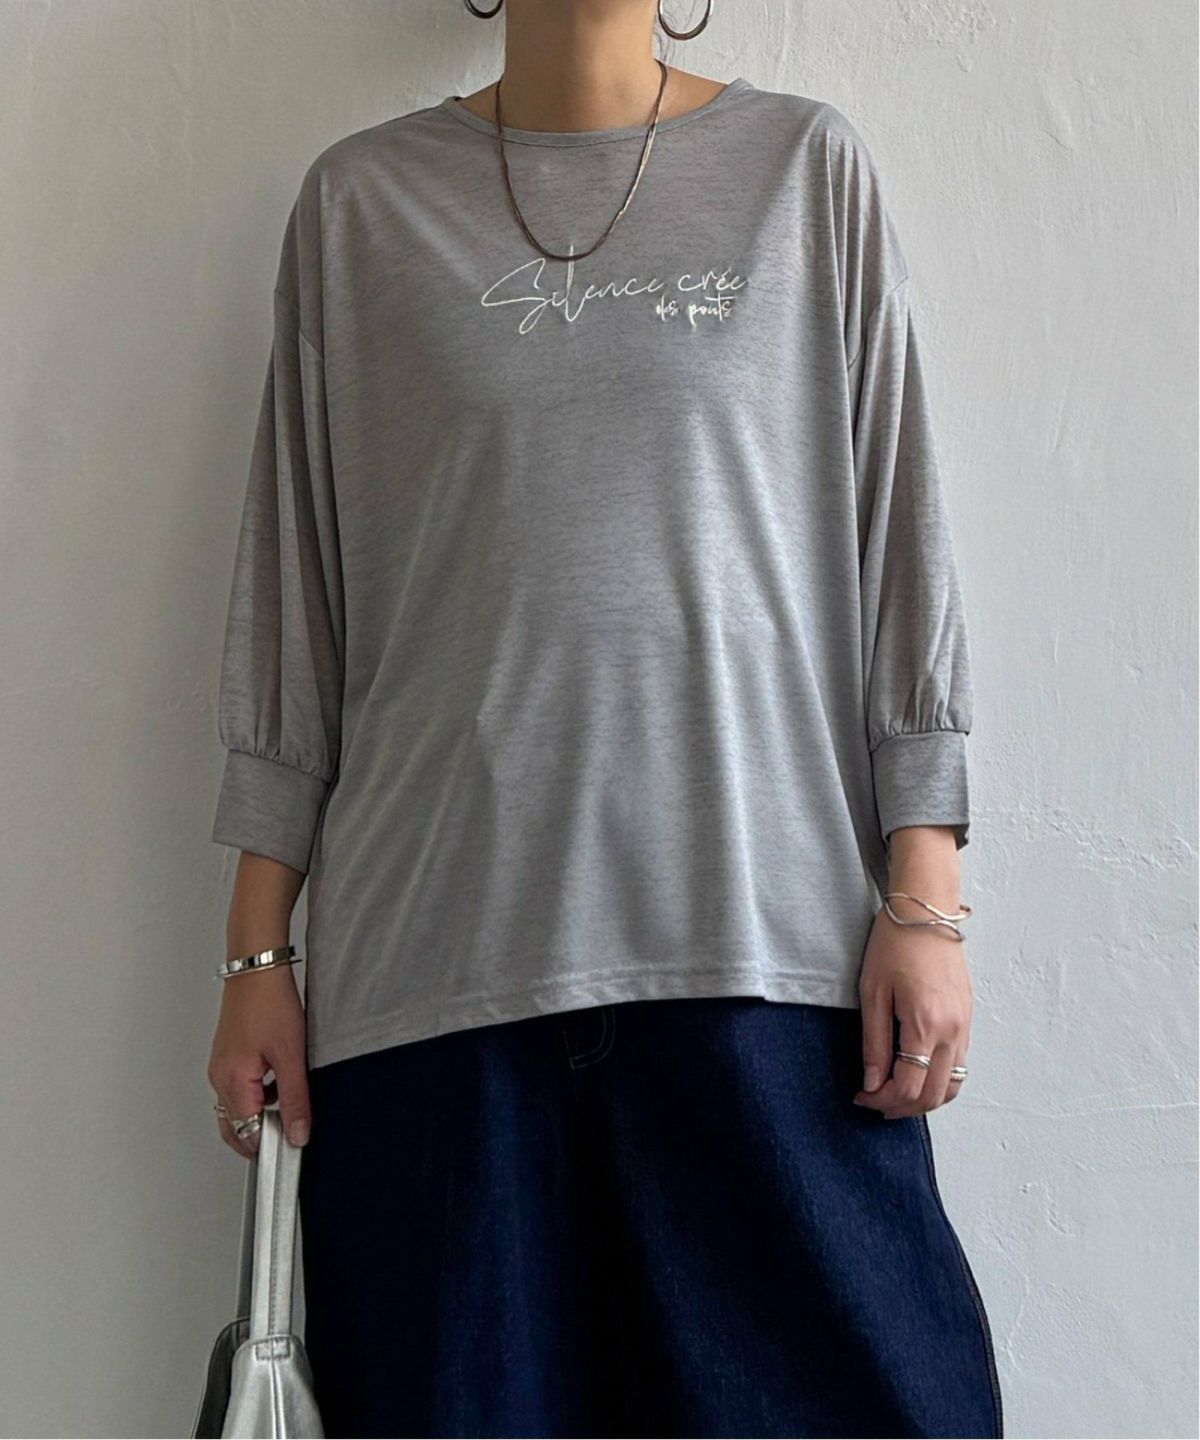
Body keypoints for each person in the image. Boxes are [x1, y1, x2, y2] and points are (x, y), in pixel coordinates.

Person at [206, 2, 1005, 1435]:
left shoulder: (804, 172)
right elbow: (296, 596)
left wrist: (925, 894)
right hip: (435, 984)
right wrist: (258, 950)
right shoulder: (360, 207)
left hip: (761, 961)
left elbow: (900, 544)